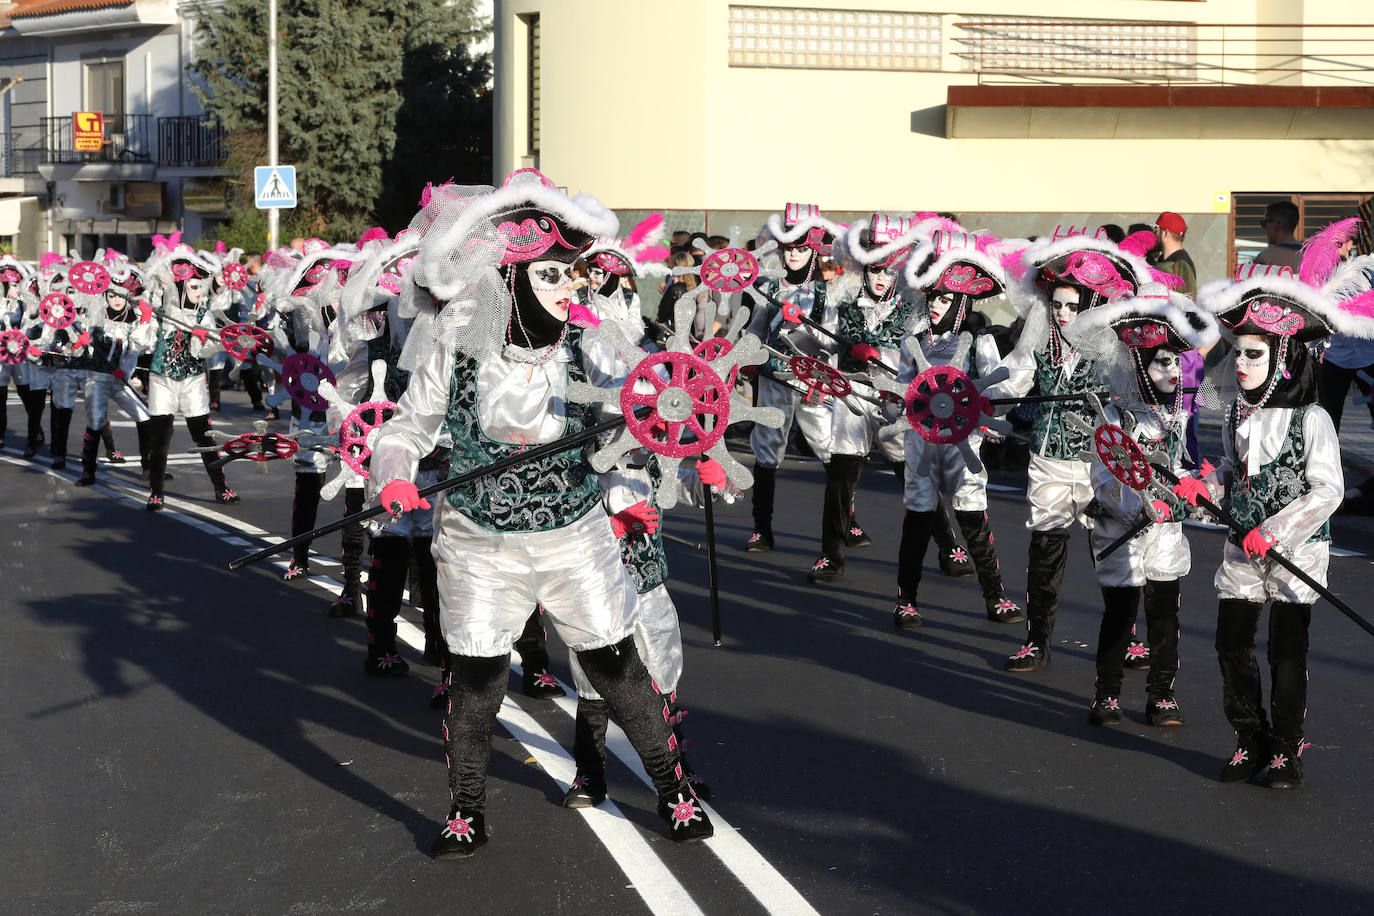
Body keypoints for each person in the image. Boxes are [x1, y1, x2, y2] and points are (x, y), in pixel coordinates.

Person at [370, 170, 712, 859]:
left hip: (573, 536)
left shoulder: (597, 349)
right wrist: (395, 479)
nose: (570, 289)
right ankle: (466, 811)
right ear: (511, 280)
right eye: (553, 276)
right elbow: (405, 431)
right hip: (476, 541)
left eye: (574, 275)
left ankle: (674, 788)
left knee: (616, 665)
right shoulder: (454, 349)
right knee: (476, 677)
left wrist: (688, 443)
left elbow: (652, 412)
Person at [1176, 239, 1374, 787]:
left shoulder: (1313, 419)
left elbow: (1328, 490)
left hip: (1297, 555)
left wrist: (1277, 531)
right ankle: (1249, 737)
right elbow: (1234, 471)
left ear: (1282, 357)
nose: (1241, 363)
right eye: (1238, 352)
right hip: (1243, 548)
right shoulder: (1237, 412)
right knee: (1230, 642)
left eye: (1254, 354)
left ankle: (1286, 747)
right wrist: (1204, 484)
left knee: (1288, 653)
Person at [994, 227, 1157, 671]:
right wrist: (977, 397)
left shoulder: (1114, 344)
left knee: (1112, 549)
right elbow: (1013, 377)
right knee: (1045, 547)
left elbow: (1138, 401)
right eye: (1058, 304)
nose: (1064, 313)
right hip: (1048, 458)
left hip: (1099, 464)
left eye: (1073, 305)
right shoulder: (1040, 332)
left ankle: (1129, 638)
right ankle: (1037, 641)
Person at [1064, 287, 1220, 726]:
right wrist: (1134, 506)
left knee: (1165, 614)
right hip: (1122, 528)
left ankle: (1162, 693)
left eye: (1175, 360)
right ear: (1139, 367)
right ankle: (1106, 692)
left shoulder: (1178, 417)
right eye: (1160, 361)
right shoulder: (1114, 416)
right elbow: (1103, 474)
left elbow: (1183, 469)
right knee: (1120, 612)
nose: (1172, 369)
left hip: (1166, 532)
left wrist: (1194, 492)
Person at [889, 224, 1025, 627]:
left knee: (972, 515)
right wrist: (891, 396)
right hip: (920, 438)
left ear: (961, 302)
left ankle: (996, 596)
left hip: (965, 444)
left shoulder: (979, 339)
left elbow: (997, 386)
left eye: (944, 298)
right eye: (931, 296)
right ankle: (906, 600)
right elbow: (898, 384)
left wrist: (990, 405)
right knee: (918, 516)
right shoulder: (911, 338)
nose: (935, 305)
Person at [742, 202, 841, 552]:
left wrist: (806, 327)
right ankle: (761, 528)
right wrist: (743, 353)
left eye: (801, 248)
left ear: (813, 250)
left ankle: (848, 523)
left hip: (814, 381)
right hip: (774, 378)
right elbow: (754, 328)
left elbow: (831, 340)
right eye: (789, 248)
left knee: (831, 449)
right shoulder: (768, 287)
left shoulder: (829, 292)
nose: (794, 255)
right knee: (767, 450)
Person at [1151, 211, 1197, 297]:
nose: (1154, 235)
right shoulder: (1163, 258)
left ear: (1165, 233)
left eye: (1157, 231)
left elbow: (1185, 302)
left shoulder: (1181, 264)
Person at [1253, 200, 1303, 270]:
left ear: (1276, 224)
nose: (1264, 228)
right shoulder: (1312, 256)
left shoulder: (1265, 258)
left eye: (1264, 222)